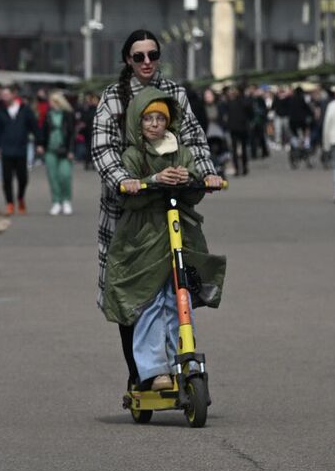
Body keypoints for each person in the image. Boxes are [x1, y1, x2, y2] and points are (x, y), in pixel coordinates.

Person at [90, 31, 221, 369]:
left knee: (173, 286)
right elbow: (103, 149)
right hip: (128, 208)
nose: (146, 62)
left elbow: (193, 139)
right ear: (127, 61)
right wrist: (126, 181)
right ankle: (140, 373)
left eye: (152, 54)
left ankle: (178, 361)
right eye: (139, 56)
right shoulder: (112, 98)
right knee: (129, 290)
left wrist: (206, 174)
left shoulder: (175, 93)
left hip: (170, 205)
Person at [104, 89, 226, 389]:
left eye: (160, 118)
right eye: (148, 118)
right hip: (144, 235)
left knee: (178, 296)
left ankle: (181, 359)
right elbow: (127, 198)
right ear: (137, 122)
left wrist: (198, 180)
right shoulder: (133, 155)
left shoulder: (181, 150)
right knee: (150, 301)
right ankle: (155, 369)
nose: (155, 124)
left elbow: (196, 189)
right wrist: (148, 182)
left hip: (179, 232)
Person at [0, 85, 38, 215]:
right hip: (6, 149)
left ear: (14, 94)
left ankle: (21, 198)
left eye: (7, 94)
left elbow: (34, 127)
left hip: (21, 149)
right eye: (3, 95)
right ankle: (9, 203)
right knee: (7, 179)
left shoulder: (25, 109)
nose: (4, 97)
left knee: (23, 178)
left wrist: (39, 143)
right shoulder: (0, 111)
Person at [40, 92, 77, 215]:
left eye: (52, 102)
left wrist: (71, 150)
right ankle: (56, 201)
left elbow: (72, 134)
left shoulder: (68, 115)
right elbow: (44, 131)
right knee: (53, 177)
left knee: (65, 175)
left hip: (65, 150)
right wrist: (41, 145)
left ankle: (66, 200)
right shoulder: (48, 115)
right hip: (50, 149)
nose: (50, 104)